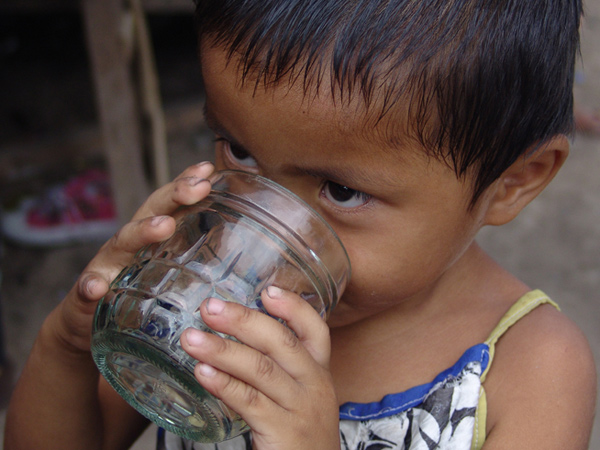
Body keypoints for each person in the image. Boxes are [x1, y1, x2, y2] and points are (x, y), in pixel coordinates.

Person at [4, 0, 597, 449]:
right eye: (239, 151)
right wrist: (68, 347)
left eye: (341, 191)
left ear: (513, 181)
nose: (261, 243)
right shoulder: (206, 302)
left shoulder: (534, 372)